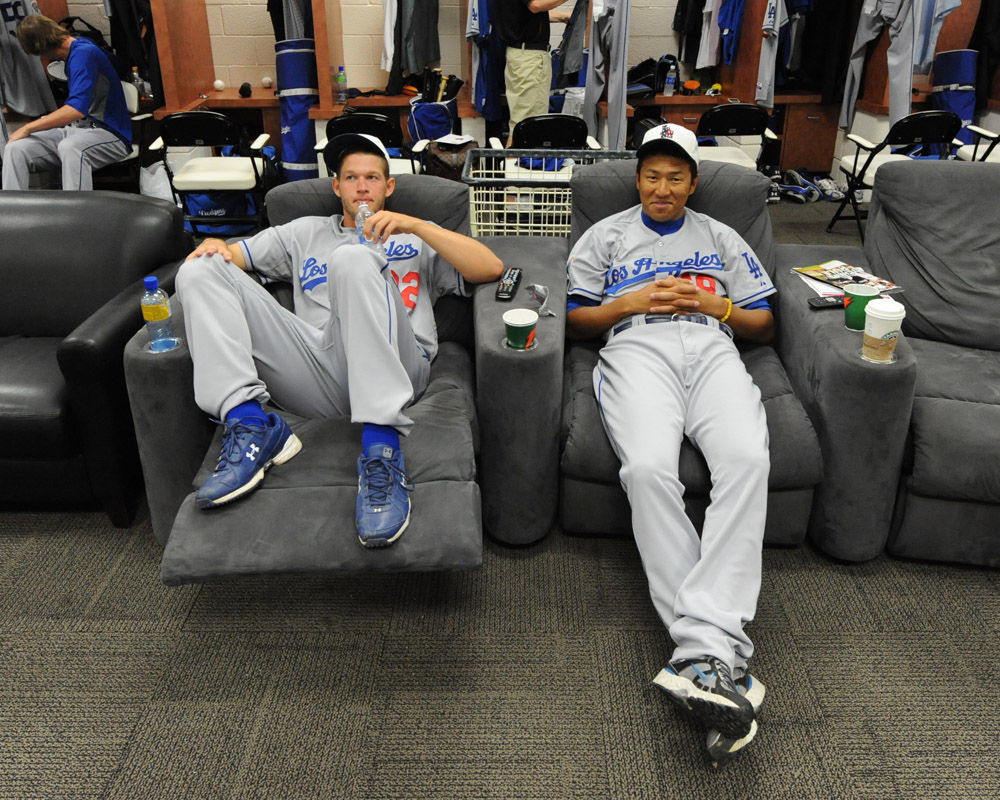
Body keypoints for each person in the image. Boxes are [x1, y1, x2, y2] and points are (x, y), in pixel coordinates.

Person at [176, 133, 504, 548]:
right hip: (317, 371)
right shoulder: (302, 233)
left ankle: (382, 449)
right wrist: (215, 245)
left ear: (389, 186)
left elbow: (491, 268)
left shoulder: (416, 236)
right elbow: (231, 258)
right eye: (351, 178)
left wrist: (417, 225)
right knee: (199, 268)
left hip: (399, 367)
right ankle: (250, 423)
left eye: (372, 177)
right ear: (336, 186)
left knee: (353, 259)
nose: (361, 187)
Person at [565, 123, 774, 764]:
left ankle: (700, 656)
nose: (662, 187)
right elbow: (577, 319)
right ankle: (715, 653)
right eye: (652, 175)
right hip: (638, 346)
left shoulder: (721, 237)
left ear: (692, 182)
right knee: (650, 470)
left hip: (711, 347)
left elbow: (764, 323)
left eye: (675, 177)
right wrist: (629, 302)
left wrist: (717, 309)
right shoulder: (606, 236)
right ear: (637, 180)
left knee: (748, 460)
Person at [2, 14, 131, 191]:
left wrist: (28, 127)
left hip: (110, 133)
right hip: (77, 130)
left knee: (71, 147)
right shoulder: (75, 49)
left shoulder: (83, 53)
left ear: (41, 47)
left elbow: (75, 110)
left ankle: (76, 209)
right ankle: (12, 208)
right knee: (15, 148)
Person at [494, 0, 572, 145]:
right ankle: (513, 160)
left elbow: (526, 15)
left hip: (523, 56)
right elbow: (536, 5)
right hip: (529, 58)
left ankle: (515, 159)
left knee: (523, 124)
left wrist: (563, 16)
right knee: (524, 127)